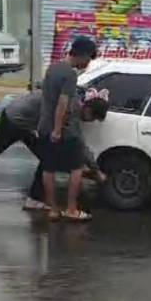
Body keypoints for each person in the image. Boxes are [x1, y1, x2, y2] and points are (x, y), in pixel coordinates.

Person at [0, 89, 109, 209]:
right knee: (48, 157)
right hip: (19, 121)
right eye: (93, 118)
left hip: (15, 114)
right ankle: (33, 200)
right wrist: (95, 170)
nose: (91, 122)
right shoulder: (70, 112)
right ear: (88, 110)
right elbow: (79, 144)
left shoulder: (72, 100)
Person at [38, 36, 98, 222]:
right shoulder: (70, 74)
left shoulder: (52, 67)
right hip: (63, 129)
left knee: (48, 168)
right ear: (82, 55)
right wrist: (58, 129)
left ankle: (53, 209)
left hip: (45, 126)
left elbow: (47, 98)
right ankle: (71, 209)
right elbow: (63, 103)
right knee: (76, 168)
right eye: (88, 59)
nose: (87, 64)